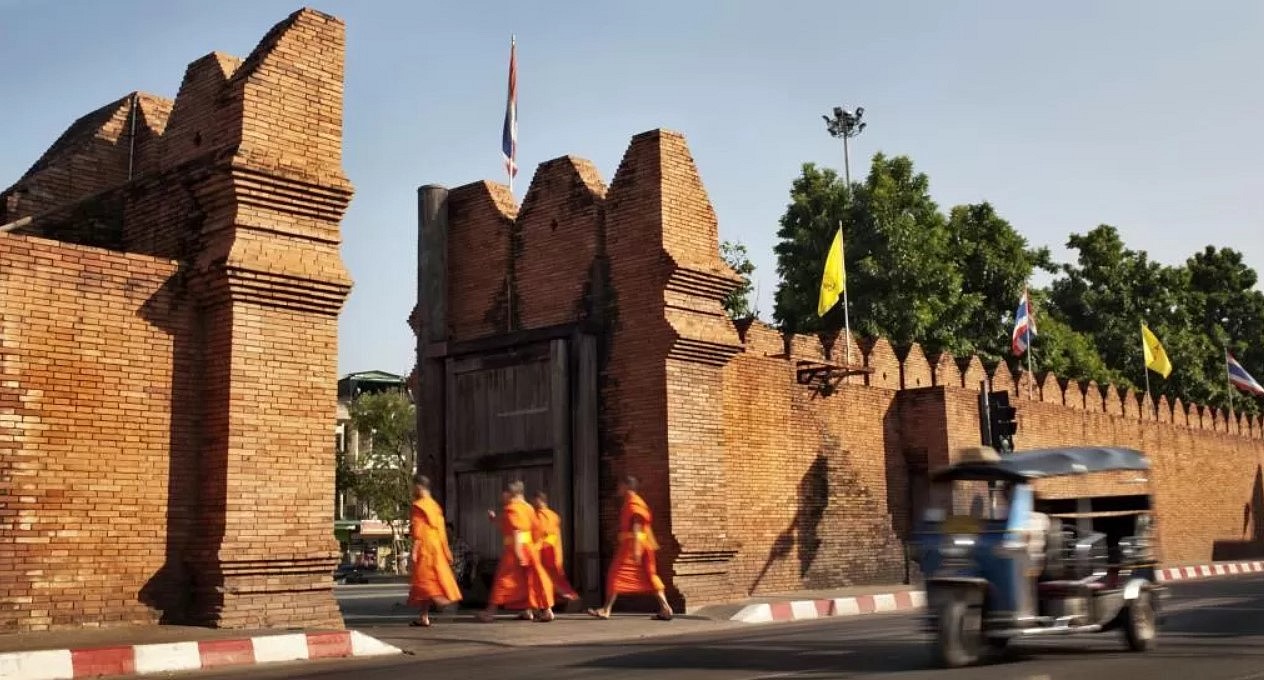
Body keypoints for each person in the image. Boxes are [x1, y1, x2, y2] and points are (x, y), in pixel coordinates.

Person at [587, 475, 673, 621]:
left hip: (633, 545)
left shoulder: (634, 503)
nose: (618, 489)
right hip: (642, 544)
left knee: (615, 574)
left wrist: (636, 550)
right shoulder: (633, 502)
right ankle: (666, 608)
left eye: (620, 486)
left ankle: (606, 609)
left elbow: (637, 525)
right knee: (650, 575)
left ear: (627, 487)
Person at [477, 480, 555, 623]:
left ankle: (490, 613)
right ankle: (542, 610)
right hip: (529, 549)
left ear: (511, 493)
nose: (502, 496)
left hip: (515, 550)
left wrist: (519, 553)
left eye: (504, 493)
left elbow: (516, 530)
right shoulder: (529, 508)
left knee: (503, 580)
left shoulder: (513, 508)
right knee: (533, 580)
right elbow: (530, 528)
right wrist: (495, 519)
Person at [406, 474, 462, 627]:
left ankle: (442, 601)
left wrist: (414, 551)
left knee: (424, 581)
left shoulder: (419, 506)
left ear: (419, 486)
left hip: (425, 546)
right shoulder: (435, 506)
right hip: (436, 546)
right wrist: (446, 550)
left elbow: (418, 531)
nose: (413, 489)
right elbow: (442, 531)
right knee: (431, 579)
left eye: (413, 486)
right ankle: (424, 617)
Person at [532, 490, 579, 602]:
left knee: (550, 578)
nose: (533, 503)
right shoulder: (553, 515)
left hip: (547, 552)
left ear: (540, 500)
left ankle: (571, 597)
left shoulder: (545, 515)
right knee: (555, 578)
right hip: (551, 551)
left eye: (534, 500)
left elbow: (545, 533)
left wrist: (536, 547)